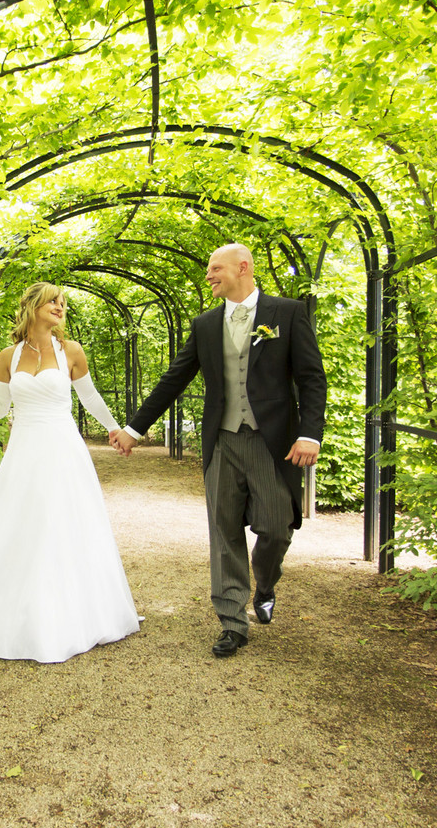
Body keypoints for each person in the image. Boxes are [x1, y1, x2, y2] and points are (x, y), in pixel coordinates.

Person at [110, 243, 326, 659]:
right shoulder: (205, 324)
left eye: (215, 268)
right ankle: (232, 622)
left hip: (273, 441)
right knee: (224, 531)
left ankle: (264, 583)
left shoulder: (288, 312)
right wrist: (136, 429)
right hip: (223, 440)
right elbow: (174, 378)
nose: (209, 275)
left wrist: (310, 434)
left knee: (276, 526)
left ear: (242, 268)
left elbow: (312, 378)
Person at [0, 283, 141, 663]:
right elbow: (1, 408)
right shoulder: (8, 355)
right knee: (21, 523)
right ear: (33, 305)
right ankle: (11, 611)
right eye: (53, 301)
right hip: (24, 449)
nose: (59, 307)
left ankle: (73, 612)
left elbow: (90, 397)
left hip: (62, 447)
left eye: (62, 303)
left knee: (63, 522)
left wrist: (116, 429)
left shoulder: (71, 351)